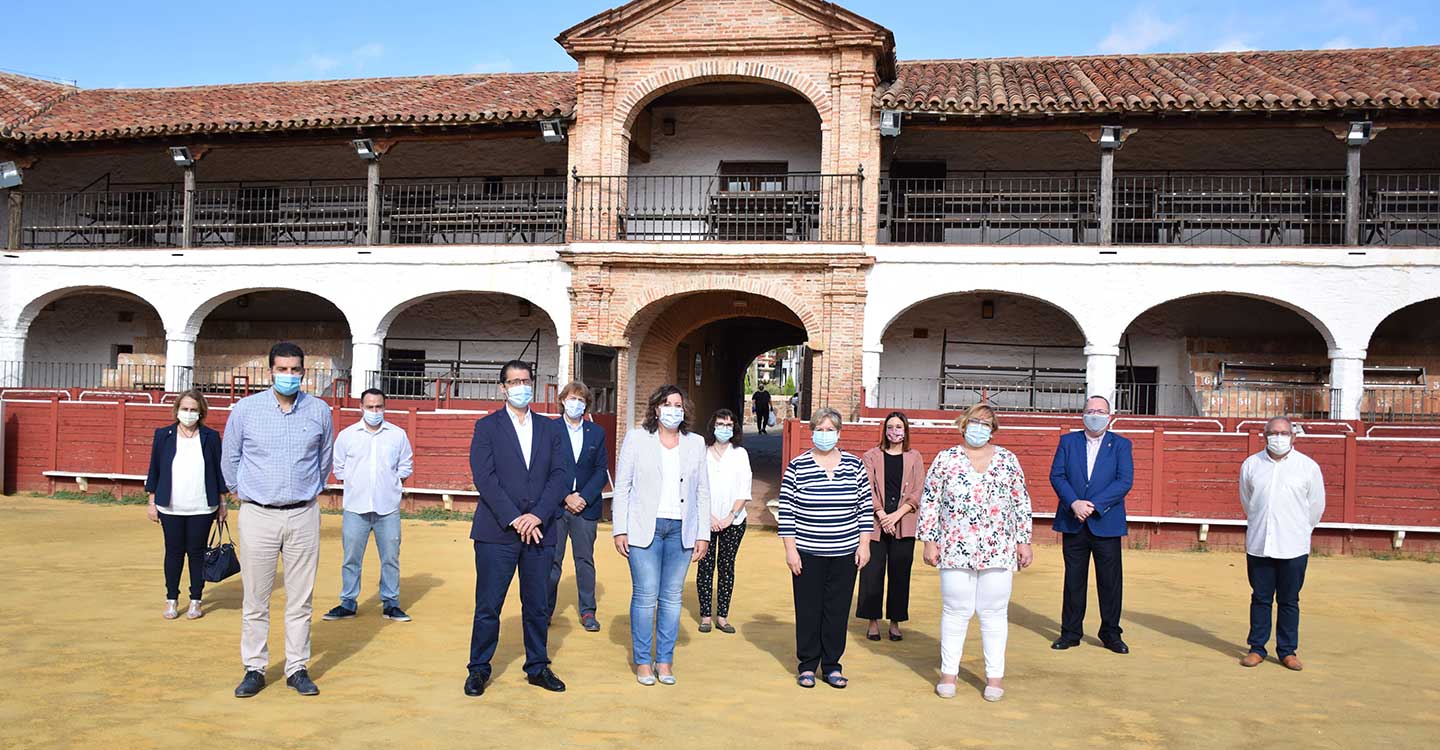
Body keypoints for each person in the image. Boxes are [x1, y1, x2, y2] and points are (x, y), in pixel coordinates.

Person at [222, 342, 334, 698]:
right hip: (258, 514)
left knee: (301, 598)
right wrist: (244, 491)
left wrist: (308, 491)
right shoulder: (246, 410)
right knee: (256, 598)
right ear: (270, 371)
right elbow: (231, 457)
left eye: (295, 370)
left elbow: (324, 459)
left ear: (304, 372)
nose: (289, 376)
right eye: (282, 370)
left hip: (303, 512)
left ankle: (297, 667)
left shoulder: (319, 411)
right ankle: (254, 667)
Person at [465, 360, 570, 697]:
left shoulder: (551, 428)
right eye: (514, 382)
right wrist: (515, 518)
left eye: (526, 380)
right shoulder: (487, 427)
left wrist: (537, 515)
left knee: (537, 604)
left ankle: (537, 666)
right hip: (497, 530)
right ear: (503, 388)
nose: (521, 386)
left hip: (540, 530)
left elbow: (561, 475)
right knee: (488, 605)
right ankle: (479, 669)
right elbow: (485, 478)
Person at [918, 404, 1034, 701]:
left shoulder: (1008, 460)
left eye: (985, 423)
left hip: (998, 546)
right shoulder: (946, 459)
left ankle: (994, 677)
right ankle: (948, 673)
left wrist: (1024, 540)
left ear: (993, 430)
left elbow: (1020, 502)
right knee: (955, 611)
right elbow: (930, 500)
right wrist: (929, 540)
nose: (979, 428)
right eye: (974, 422)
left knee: (994, 613)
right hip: (955, 545)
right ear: (963, 424)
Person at [612, 385, 711, 685]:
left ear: (685, 410)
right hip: (645, 528)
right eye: (666, 404)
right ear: (656, 409)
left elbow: (702, 491)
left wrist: (702, 533)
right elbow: (623, 485)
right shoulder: (637, 438)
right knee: (645, 595)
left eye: (677, 404)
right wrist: (620, 528)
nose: (672, 409)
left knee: (671, 597)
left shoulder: (695, 443)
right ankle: (643, 661)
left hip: (681, 529)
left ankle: (664, 661)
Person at [777, 407, 872, 689]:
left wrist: (864, 545)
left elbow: (864, 509)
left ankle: (831, 665)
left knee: (837, 610)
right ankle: (807, 665)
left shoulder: (855, 466)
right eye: (820, 429)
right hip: (807, 551)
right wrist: (790, 550)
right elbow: (787, 511)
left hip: (844, 552)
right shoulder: (797, 466)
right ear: (812, 432)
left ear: (839, 433)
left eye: (830, 430)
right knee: (808, 609)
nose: (825, 435)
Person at [1049, 395, 1134, 655]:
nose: (1095, 415)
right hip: (1073, 519)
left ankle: (1110, 633)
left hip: (1105, 521)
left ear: (1110, 415)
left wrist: (1093, 505)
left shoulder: (1121, 444)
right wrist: (1074, 503)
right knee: (1074, 579)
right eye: (1091, 410)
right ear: (1082, 414)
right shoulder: (1068, 441)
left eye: (1100, 411)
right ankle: (1071, 632)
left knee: (1110, 581)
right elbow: (1057, 475)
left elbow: (1124, 481)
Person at [1239, 416, 1325, 671]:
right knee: (1261, 598)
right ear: (1264, 436)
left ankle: (1287, 651)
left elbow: (1316, 507)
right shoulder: (1251, 465)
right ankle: (1257, 648)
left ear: (1293, 436)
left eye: (1283, 432)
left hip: (1293, 544)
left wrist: (1298, 529)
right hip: (1260, 542)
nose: (1278, 437)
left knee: (1289, 600)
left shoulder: (1308, 467)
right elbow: (1248, 502)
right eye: (1273, 433)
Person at [323, 388, 414, 623]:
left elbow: (406, 465)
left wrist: (392, 483)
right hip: (356, 506)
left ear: (385, 407)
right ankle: (348, 602)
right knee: (351, 557)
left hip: (387, 507)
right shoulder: (347, 435)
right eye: (370, 407)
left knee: (391, 557)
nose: (375, 411)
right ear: (361, 407)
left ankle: (391, 603)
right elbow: (340, 467)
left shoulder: (397, 435)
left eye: (379, 407)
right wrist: (356, 483)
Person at [145, 389, 227, 621]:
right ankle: (171, 599)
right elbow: (155, 470)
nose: (189, 414)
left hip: (202, 505)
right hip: (170, 505)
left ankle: (196, 600)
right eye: (185, 409)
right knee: (173, 552)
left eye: (193, 410)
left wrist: (222, 502)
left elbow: (218, 471)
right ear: (177, 410)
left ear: (201, 412)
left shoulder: (210, 437)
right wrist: (151, 502)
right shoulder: (164, 435)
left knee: (197, 553)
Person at [547, 381, 609, 633]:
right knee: (552, 561)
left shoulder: (596, 432)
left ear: (586, 405)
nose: (576, 404)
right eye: (572, 398)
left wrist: (582, 497)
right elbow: (544, 469)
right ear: (562, 400)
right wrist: (565, 497)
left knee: (584, 560)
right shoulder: (549, 430)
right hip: (557, 507)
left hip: (586, 507)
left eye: (581, 400)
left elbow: (600, 471)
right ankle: (545, 610)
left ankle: (587, 611)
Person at [857, 411, 924, 642]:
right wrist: (882, 515)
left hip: (903, 523)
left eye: (898, 427)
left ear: (905, 431)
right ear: (884, 430)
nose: (894, 432)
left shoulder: (915, 457)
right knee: (872, 573)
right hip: (876, 522)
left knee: (900, 573)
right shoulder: (871, 456)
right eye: (890, 427)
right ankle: (872, 621)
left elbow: (917, 492)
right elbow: (866, 489)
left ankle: (895, 622)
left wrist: (895, 516)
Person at [697, 408, 752, 634]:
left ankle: (722, 616)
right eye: (721, 424)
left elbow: (744, 488)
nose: (724, 429)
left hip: (734, 521)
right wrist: (708, 516)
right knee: (705, 566)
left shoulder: (740, 454)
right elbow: (696, 486)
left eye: (729, 425)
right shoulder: (702, 452)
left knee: (726, 567)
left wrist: (731, 516)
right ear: (713, 426)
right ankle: (705, 616)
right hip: (705, 519)